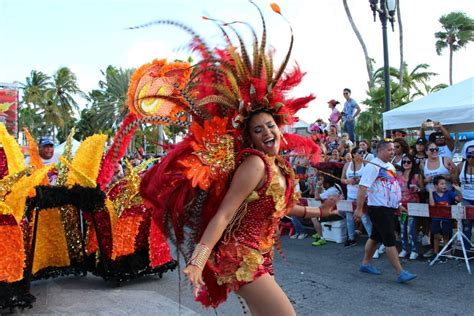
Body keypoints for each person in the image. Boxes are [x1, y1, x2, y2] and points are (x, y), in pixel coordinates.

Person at [354, 139, 416, 283]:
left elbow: (392, 187)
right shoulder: (373, 166)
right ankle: (400, 272)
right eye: (389, 150)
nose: (392, 152)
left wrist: (397, 204)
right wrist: (358, 209)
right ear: (380, 150)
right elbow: (363, 188)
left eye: (393, 149)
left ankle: (365, 263)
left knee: (375, 236)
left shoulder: (390, 166)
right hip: (378, 209)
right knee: (389, 239)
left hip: (388, 208)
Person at [341, 146, 373, 247]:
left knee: (365, 218)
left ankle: (373, 239)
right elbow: (341, 179)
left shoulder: (366, 164)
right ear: (354, 154)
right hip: (350, 195)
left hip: (363, 195)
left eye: (363, 152)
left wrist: (361, 180)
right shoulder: (347, 165)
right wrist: (347, 181)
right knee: (349, 218)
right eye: (360, 152)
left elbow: (372, 178)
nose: (362, 154)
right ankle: (351, 238)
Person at [427, 176, 462, 263]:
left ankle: (446, 253)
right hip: (436, 219)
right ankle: (436, 253)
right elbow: (431, 204)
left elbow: (459, 199)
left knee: (446, 236)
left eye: (445, 184)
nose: (444, 186)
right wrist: (430, 192)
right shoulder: (434, 194)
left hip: (446, 219)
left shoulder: (449, 193)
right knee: (436, 236)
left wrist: (458, 190)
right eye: (441, 184)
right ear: (436, 186)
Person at [397, 154, 423, 260]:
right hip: (402, 205)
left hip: (413, 205)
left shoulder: (417, 176)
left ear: (412, 163)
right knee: (403, 228)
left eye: (408, 162)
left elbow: (423, 189)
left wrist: (418, 188)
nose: (406, 164)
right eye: (404, 162)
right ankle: (404, 249)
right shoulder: (399, 175)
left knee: (411, 229)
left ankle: (414, 250)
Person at [456, 143, 474, 248]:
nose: (471, 159)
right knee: (467, 225)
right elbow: (455, 182)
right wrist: (460, 196)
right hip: (466, 199)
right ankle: (466, 249)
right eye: (469, 156)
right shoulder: (460, 166)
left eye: (473, 156)